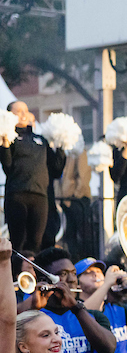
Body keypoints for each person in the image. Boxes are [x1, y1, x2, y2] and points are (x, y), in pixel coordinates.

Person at [0, 101, 67, 253]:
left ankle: (34, 269)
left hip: (40, 197)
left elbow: (56, 170)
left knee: (37, 243)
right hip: (17, 196)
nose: (24, 114)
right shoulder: (9, 139)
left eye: (26, 110)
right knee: (18, 242)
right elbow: (8, 167)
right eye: (19, 111)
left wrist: (61, 147)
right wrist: (4, 145)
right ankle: (17, 268)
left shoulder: (41, 139)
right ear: (10, 115)